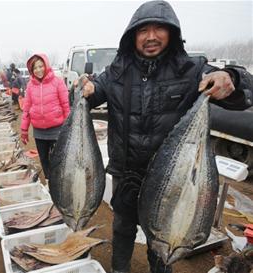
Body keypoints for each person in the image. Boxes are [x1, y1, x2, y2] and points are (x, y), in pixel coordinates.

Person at [80, 1, 253, 273]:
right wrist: (85, 89)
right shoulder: (116, 72)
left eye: (159, 28)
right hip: (126, 174)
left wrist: (230, 77)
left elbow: (242, 92)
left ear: (172, 32)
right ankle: (119, 269)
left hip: (171, 179)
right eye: (143, 30)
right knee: (123, 229)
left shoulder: (191, 70)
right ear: (131, 35)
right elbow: (91, 95)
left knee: (160, 237)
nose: (151, 36)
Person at [20, 54, 70, 181]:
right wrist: (24, 130)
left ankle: (59, 182)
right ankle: (49, 181)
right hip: (39, 131)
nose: (38, 70)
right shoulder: (30, 86)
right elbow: (26, 108)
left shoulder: (57, 82)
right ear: (32, 70)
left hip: (57, 129)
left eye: (41, 66)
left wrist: (68, 126)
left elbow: (66, 105)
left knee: (57, 158)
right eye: (35, 68)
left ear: (46, 66)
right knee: (43, 158)